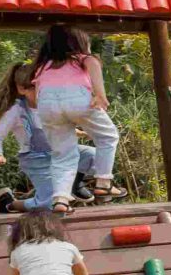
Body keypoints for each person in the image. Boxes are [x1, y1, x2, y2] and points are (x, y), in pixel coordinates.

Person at [23, 25, 121, 210]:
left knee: (63, 154)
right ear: (80, 43)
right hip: (77, 99)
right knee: (107, 136)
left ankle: (60, 199)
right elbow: (92, 63)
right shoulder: (80, 58)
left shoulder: (43, 66)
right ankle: (103, 182)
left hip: (47, 105)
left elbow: (38, 94)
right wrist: (100, 93)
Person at [0, 60, 95, 212]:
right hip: (35, 159)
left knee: (93, 155)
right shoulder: (17, 112)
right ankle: (9, 204)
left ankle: (74, 184)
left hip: (60, 152)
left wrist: (79, 133)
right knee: (49, 203)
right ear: (23, 89)